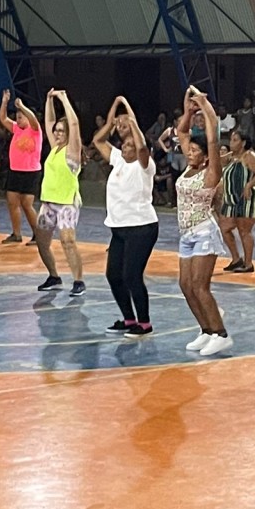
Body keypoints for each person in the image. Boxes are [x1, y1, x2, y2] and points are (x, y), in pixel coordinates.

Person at [93, 96, 159, 337]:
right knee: (113, 276)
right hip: (119, 229)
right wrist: (112, 118)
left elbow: (141, 147)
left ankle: (145, 323)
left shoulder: (145, 165)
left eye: (129, 145)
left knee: (132, 276)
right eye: (124, 144)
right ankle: (129, 319)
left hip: (141, 228)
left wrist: (132, 122)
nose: (125, 147)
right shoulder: (118, 160)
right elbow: (97, 140)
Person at [176, 88, 233, 356]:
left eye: (195, 151)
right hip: (186, 234)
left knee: (200, 286)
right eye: (189, 150)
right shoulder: (189, 168)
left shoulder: (211, 173)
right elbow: (182, 132)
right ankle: (206, 329)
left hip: (204, 232)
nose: (189, 153)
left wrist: (206, 107)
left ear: (206, 156)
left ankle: (221, 333)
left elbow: (213, 139)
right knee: (185, 286)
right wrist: (189, 112)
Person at [34, 89, 86, 297]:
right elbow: (49, 122)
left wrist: (64, 99)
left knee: (67, 241)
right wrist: (48, 100)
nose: (56, 133)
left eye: (61, 131)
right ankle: (54, 276)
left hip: (67, 203)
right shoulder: (55, 147)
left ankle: (79, 281)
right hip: (49, 202)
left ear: (68, 134)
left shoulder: (72, 150)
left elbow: (74, 124)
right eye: (56, 131)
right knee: (42, 241)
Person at [218, 129, 255, 274]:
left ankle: (248, 263)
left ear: (243, 143)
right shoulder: (232, 156)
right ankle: (236, 259)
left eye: (235, 140)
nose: (231, 143)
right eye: (231, 140)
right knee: (224, 228)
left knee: (244, 230)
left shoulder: (249, 155)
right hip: (232, 199)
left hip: (248, 198)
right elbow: (216, 160)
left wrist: (249, 185)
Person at [0, 89, 42, 245]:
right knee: (12, 202)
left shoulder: (35, 131)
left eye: (21, 117)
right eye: (17, 117)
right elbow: (3, 118)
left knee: (26, 204)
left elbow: (33, 119)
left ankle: (38, 236)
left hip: (30, 172)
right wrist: (4, 102)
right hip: (15, 171)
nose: (18, 119)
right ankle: (16, 234)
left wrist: (22, 107)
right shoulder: (16, 129)